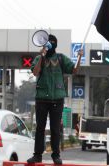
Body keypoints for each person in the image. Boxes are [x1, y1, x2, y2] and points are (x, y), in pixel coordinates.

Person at [27, 34, 83, 164]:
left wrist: (79, 57)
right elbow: (35, 72)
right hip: (41, 99)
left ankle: (56, 155)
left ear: (55, 45)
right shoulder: (38, 58)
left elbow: (74, 70)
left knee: (55, 129)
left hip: (57, 99)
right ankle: (37, 155)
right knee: (40, 128)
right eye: (48, 42)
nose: (50, 44)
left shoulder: (61, 59)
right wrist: (42, 56)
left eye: (52, 42)